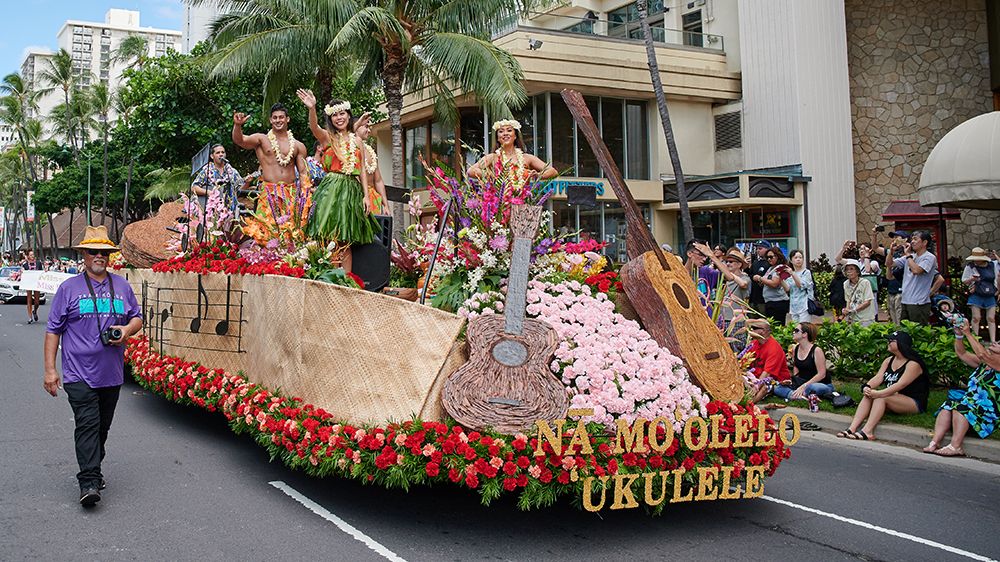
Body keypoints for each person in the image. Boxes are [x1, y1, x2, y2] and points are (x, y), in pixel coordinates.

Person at [43, 225, 143, 506]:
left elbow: (137, 318)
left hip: (111, 375)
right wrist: (51, 370)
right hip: (78, 374)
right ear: (84, 255)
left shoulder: (122, 286)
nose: (99, 256)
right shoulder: (68, 289)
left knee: (102, 428)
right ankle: (89, 481)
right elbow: (53, 330)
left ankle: (93, 468)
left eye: (104, 252)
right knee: (87, 424)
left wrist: (125, 331)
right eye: (93, 251)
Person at [297, 90, 387, 274]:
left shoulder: (358, 141)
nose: (339, 118)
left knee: (346, 238)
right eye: (334, 115)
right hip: (331, 189)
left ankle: (345, 281)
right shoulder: (328, 138)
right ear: (331, 119)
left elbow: (362, 170)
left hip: (351, 190)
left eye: (342, 113)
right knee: (329, 235)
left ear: (348, 115)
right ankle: (328, 275)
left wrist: (366, 197)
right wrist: (312, 108)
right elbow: (314, 127)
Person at [232, 103, 313, 246]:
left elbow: (303, 173)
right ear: (270, 120)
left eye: (281, 117)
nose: (278, 120)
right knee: (265, 232)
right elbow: (240, 140)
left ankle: (289, 264)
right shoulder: (261, 139)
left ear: (287, 119)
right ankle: (266, 265)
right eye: (275, 118)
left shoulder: (298, 145)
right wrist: (237, 125)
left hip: (291, 192)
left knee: (290, 231)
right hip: (269, 192)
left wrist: (305, 196)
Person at [924, 322, 1000, 456]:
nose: (995, 343)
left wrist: (968, 333)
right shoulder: (983, 365)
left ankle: (955, 446)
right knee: (948, 406)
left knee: (961, 408)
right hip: (971, 407)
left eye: (999, 344)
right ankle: (934, 442)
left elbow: (983, 355)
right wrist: (959, 336)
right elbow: (962, 353)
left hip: (987, 415)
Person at [837, 330, 930, 441]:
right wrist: (867, 387)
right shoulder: (888, 360)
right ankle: (852, 428)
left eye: (891, 340)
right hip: (894, 397)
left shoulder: (913, 364)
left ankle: (868, 431)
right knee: (869, 395)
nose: (888, 342)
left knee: (880, 398)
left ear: (901, 344)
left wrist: (878, 393)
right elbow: (879, 377)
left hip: (913, 402)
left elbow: (900, 385)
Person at [468, 119, 557, 188]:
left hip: (521, 204)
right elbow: (471, 171)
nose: (505, 133)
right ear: (498, 138)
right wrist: (490, 175)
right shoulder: (492, 157)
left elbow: (553, 171)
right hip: (499, 205)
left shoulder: (527, 158)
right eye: (501, 131)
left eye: (509, 130)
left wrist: (538, 175)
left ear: (515, 136)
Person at [886, 230, 937, 324]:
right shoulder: (910, 256)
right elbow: (889, 264)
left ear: (924, 242)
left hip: (919, 302)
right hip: (905, 301)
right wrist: (891, 252)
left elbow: (917, 270)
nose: (912, 241)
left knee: (918, 334)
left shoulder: (929, 257)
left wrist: (908, 255)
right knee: (905, 333)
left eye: (915, 239)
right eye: (912, 239)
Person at [773, 322, 834, 401]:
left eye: (796, 330)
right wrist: (794, 381)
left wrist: (804, 386)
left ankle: (795, 395)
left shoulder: (816, 351)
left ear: (804, 334)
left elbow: (821, 374)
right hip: (802, 382)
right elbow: (796, 367)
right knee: (778, 388)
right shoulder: (796, 348)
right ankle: (801, 396)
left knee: (813, 388)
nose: (793, 332)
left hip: (820, 384)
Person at [744, 319, 791, 403]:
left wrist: (755, 387)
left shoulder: (774, 348)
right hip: (755, 377)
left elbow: (766, 374)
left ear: (763, 331)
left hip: (775, 381)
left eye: (754, 328)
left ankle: (749, 404)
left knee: (766, 385)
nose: (751, 330)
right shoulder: (754, 343)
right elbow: (744, 364)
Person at [191, 144, 243, 216]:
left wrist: (247, 182)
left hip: (229, 210)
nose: (221, 154)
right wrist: (208, 192)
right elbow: (194, 187)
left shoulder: (232, 172)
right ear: (212, 156)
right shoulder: (207, 171)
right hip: (210, 210)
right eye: (218, 153)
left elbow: (240, 189)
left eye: (223, 152)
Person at [962, 248, 998, 344]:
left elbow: (997, 276)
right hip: (976, 293)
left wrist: (998, 290)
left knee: (991, 318)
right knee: (976, 317)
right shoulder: (970, 266)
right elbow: (964, 280)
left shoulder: (992, 265)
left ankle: (993, 340)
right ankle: (975, 340)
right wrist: (972, 279)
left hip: (990, 293)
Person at [753, 247, 791, 323]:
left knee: (777, 327)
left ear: (778, 256)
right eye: (767, 257)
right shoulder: (770, 268)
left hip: (778, 302)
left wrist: (760, 278)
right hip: (770, 302)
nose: (769, 259)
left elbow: (774, 284)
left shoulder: (781, 267)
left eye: (771, 257)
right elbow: (767, 282)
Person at [686, 240, 722, 308]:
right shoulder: (678, 275)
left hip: (706, 315)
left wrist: (712, 256)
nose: (704, 259)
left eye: (705, 256)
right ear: (689, 253)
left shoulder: (706, 272)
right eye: (700, 255)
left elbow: (728, 276)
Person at [842, 258, 876, 326]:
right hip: (853, 318)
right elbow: (848, 301)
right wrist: (847, 311)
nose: (849, 271)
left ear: (857, 272)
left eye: (851, 269)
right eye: (847, 269)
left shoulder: (865, 282)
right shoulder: (845, 284)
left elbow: (867, 302)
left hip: (866, 318)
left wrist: (854, 310)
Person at [787, 249, 814, 323]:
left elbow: (800, 285)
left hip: (804, 306)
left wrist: (792, 273)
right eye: (796, 258)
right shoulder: (790, 274)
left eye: (800, 257)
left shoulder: (806, 272)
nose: (798, 260)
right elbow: (787, 288)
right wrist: (780, 277)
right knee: (795, 329)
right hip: (793, 306)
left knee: (804, 328)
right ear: (791, 260)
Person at [748, 241, 770, 315]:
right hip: (753, 298)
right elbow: (749, 275)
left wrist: (760, 279)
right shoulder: (755, 262)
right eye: (757, 249)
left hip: (764, 299)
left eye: (760, 248)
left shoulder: (770, 263)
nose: (758, 250)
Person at [21, 249, 42, 324]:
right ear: (28, 256)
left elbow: (41, 273)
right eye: (31, 255)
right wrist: (22, 272)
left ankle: (35, 311)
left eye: (33, 255)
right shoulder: (25, 265)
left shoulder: (38, 263)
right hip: (29, 284)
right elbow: (22, 273)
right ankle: (30, 317)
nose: (32, 256)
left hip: (36, 284)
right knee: (29, 300)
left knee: (37, 301)